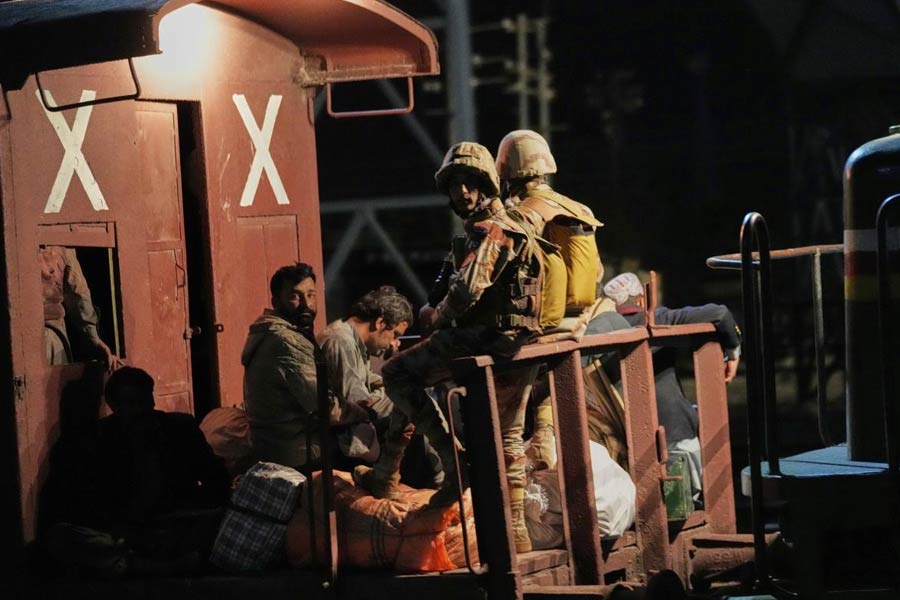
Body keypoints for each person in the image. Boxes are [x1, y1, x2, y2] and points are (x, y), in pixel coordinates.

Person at [353, 142, 543, 553]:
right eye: (454, 185)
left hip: (485, 339)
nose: (461, 193)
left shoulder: (492, 229)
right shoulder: (513, 223)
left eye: (469, 184)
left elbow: (469, 288)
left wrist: (437, 317)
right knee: (509, 438)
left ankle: (453, 468)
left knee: (395, 374)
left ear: (486, 184)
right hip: (515, 342)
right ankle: (518, 537)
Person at [41, 367, 229, 577]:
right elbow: (84, 501)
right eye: (131, 404)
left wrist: (194, 512)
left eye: (145, 402)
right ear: (114, 406)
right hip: (126, 533)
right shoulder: (97, 441)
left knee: (221, 523)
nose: (141, 411)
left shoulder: (179, 428)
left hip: (175, 523)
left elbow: (216, 479)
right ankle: (150, 565)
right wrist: (121, 528)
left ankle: (136, 563)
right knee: (60, 538)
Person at [600, 272, 742, 497]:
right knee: (689, 504)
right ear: (642, 300)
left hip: (617, 448)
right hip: (674, 435)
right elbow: (719, 313)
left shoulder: (596, 332)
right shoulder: (655, 319)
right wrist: (733, 351)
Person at [241, 262, 368, 469]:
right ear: (276, 302)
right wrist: (361, 412)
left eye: (311, 295)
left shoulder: (277, 333)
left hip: (278, 443)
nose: (306, 304)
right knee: (375, 439)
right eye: (295, 296)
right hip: (297, 451)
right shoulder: (285, 341)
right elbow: (325, 407)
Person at [316, 286, 442, 484]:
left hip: (350, 422)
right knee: (413, 405)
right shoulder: (342, 342)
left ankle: (443, 471)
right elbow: (358, 402)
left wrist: (395, 384)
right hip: (341, 435)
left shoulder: (353, 340)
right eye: (395, 335)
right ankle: (443, 475)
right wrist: (390, 392)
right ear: (380, 323)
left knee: (414, 399)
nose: (395, 344)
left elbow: (369, 381)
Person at [40, 245, 122, 370]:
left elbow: (78, 295)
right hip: (49, 337)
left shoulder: (57, 247)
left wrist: (94, 339)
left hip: (51, 336)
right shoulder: (58, 246)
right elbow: (78, 295)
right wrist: (94, 339)